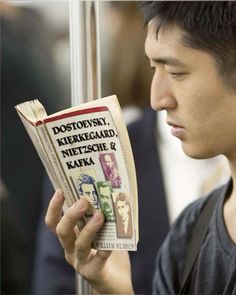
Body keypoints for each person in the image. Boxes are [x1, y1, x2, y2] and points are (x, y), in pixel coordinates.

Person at [45, 1, 236, 294]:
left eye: (176, 73)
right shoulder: (190, 234)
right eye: (153, 69)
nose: (158, 99)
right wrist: (117, 289)